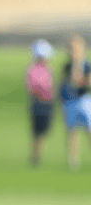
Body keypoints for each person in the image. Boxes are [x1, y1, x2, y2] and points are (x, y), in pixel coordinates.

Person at [59, 34, 91, 170]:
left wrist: (81, 79)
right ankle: (73, 160)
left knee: (89, 129)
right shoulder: (67, 66)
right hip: (70, 101)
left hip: (84, 100)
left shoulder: (86, 65)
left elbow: (86, 82)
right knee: (72, 131)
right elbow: (70, 82)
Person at [24, 39, 55, 167]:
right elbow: (33, 87)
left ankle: (37, 156)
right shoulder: (33, 69)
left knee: (44, 130)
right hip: (38, 103)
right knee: (37, 131)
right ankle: (36, 157)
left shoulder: (48, 68)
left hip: (47, 102)